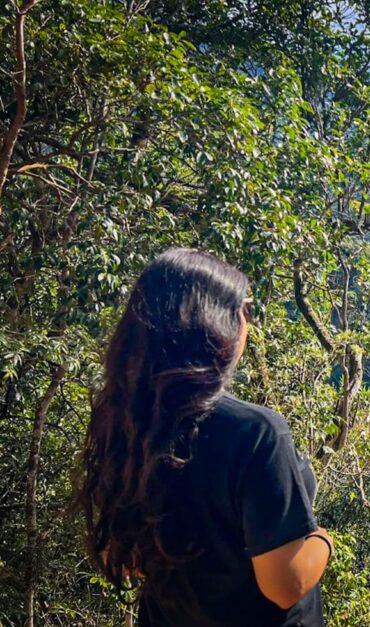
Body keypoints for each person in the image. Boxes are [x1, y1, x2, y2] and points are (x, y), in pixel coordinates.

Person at [77, 248, 332, 626]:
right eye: (246, 309)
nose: (249, 321)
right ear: (216, 323)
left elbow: (125, 559)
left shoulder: (127, 416)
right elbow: (285, 585)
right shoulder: (256, 432)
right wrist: (323, 541)